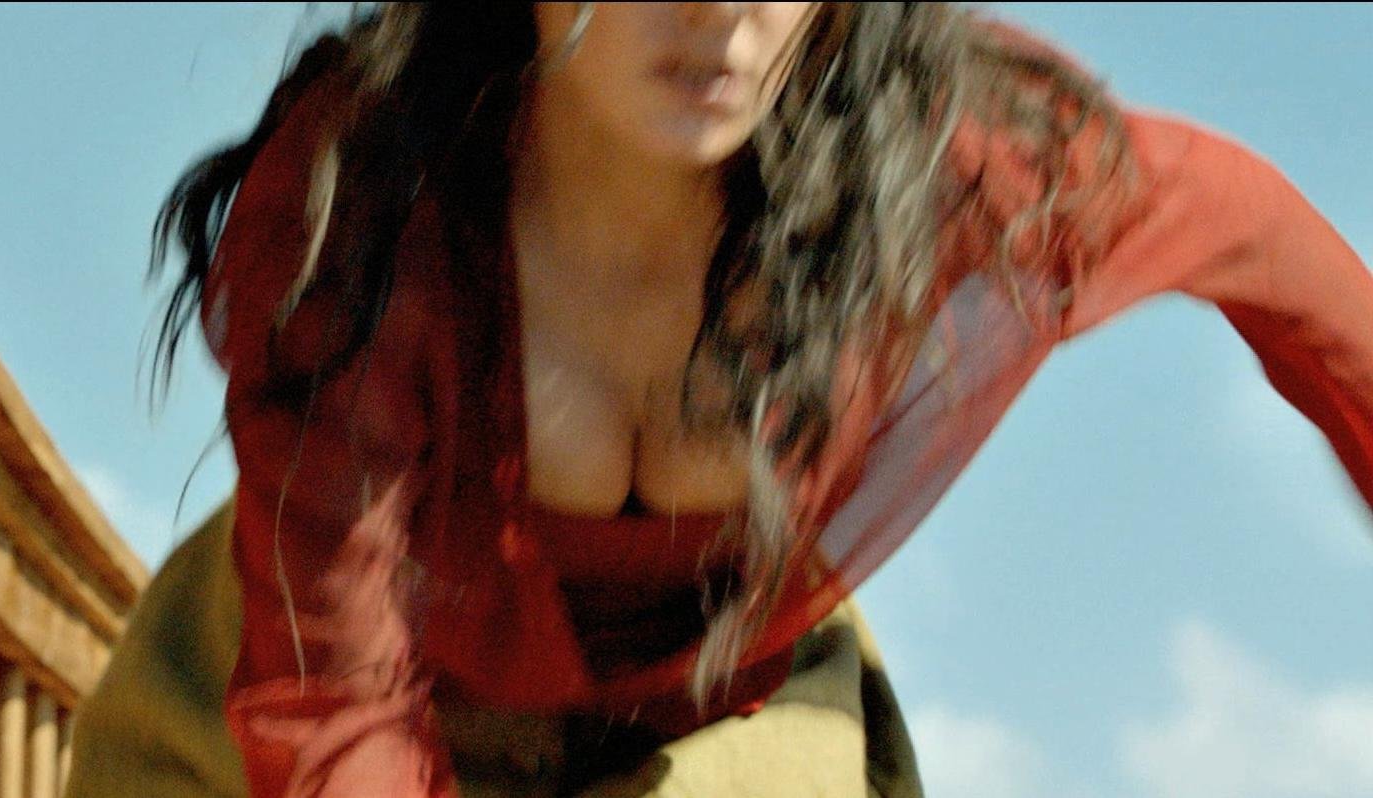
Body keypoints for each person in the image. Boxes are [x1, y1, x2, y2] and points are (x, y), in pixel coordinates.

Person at [71, 4, 1373, 796]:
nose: (722, 10)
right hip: (300, 683)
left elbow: (1257, 235)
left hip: (729, 706)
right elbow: (336, 711)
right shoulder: (363, 203)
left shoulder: (957, 164)